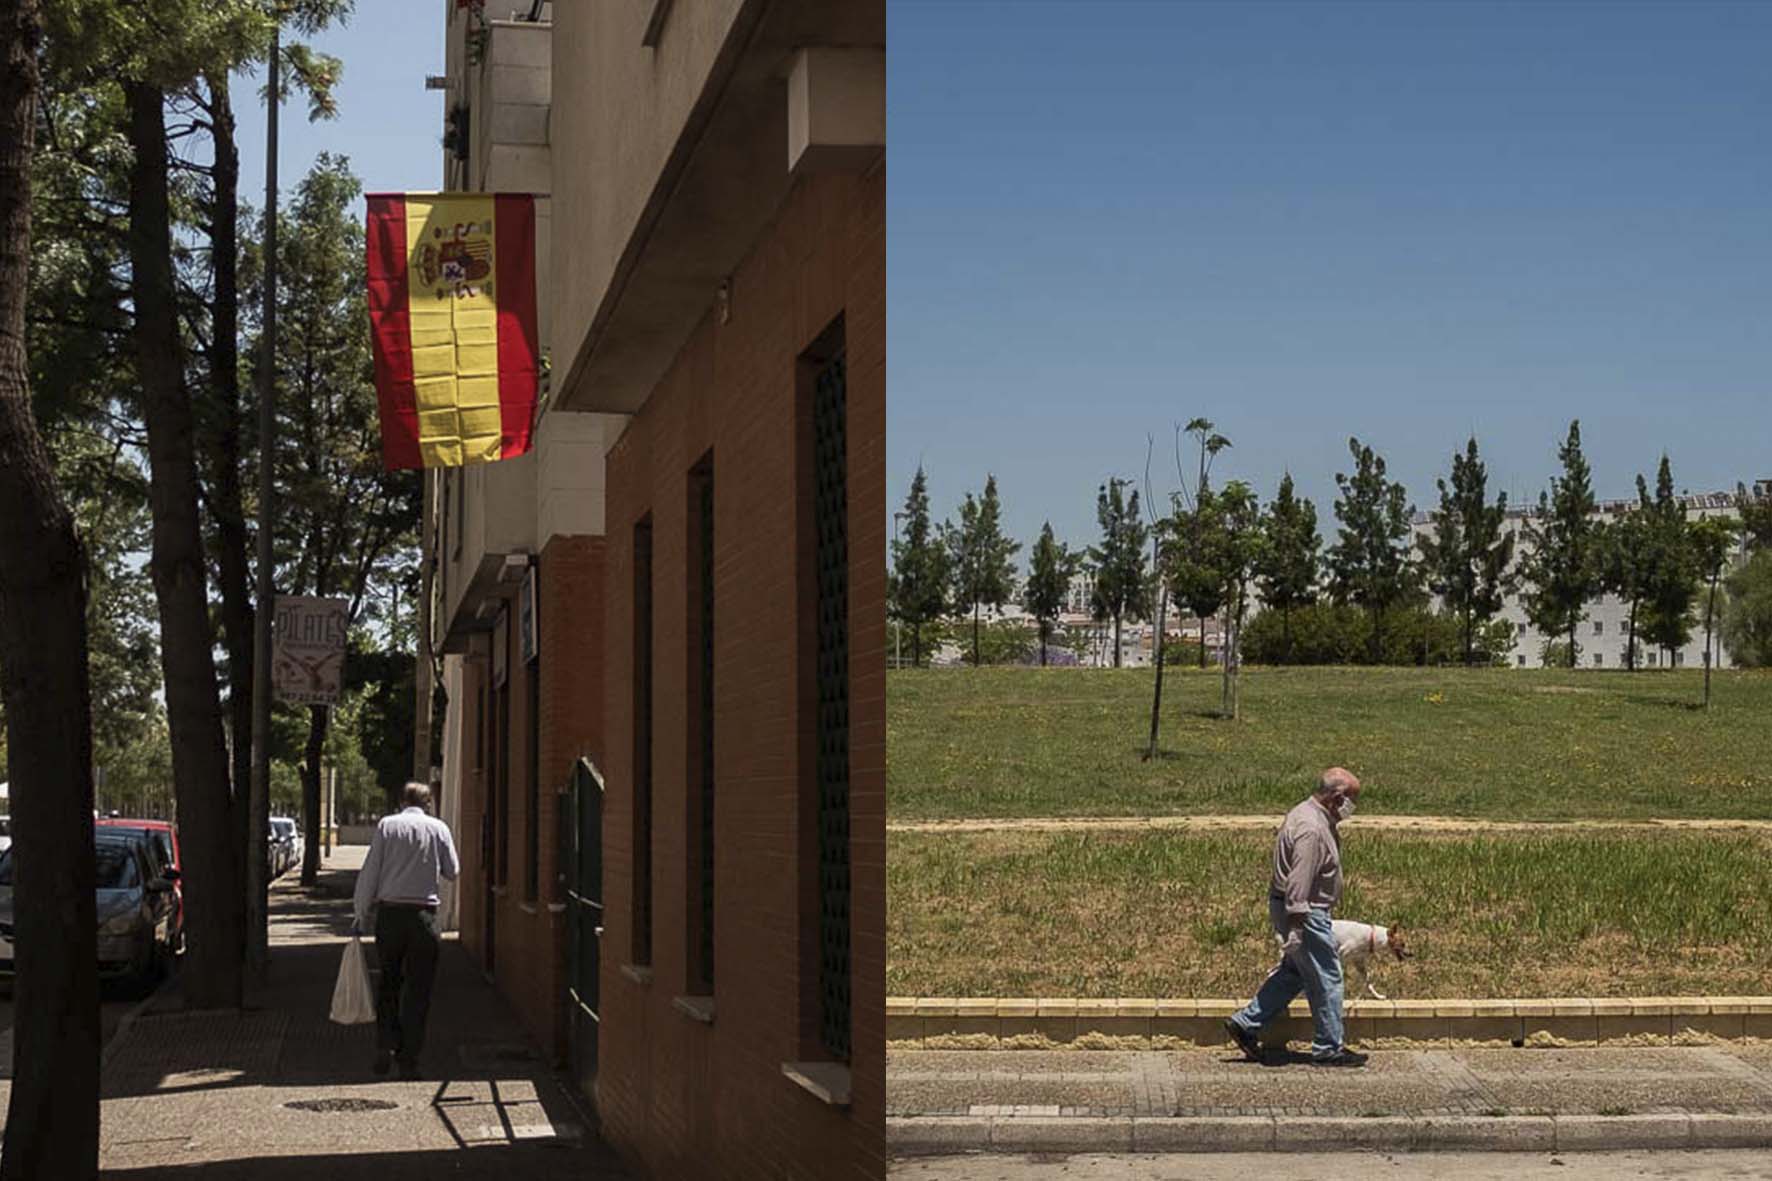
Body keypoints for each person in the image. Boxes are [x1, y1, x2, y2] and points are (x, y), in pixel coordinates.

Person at [1224, 767, 1367, 1067]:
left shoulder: (1306, 813)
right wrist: (1298, 927)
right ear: (1337, 797)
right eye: (1352, 800)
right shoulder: (1312, 829)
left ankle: (1246, 1023)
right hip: (1306, 913)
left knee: (1295, 973)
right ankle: (1328, 1048)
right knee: (1327, 977)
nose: (1352, 807)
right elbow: (1298, 882)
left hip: (1299, 910)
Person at [352, 781, 459, 1079]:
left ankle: (386, 1042)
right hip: (424, 916)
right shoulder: (439, 829)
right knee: (419, 988)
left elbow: (371, 870)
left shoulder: (387, 826)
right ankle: (409, 1059)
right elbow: (453, 871)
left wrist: (361, 911)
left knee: (389, 981)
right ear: (428, 803)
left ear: (401, 801)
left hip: (390, 915)